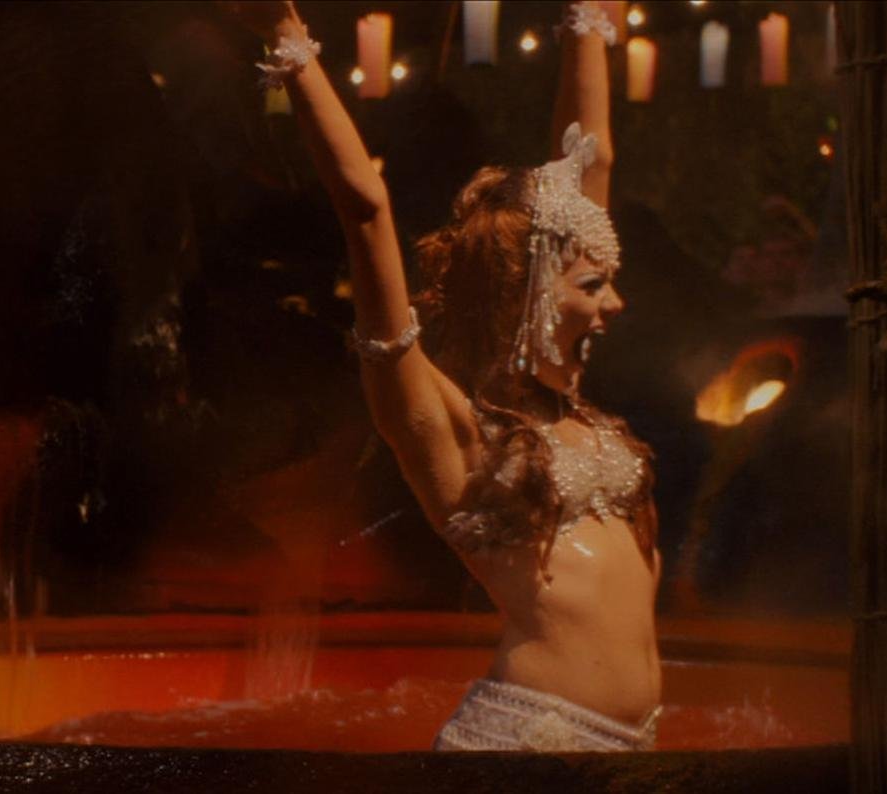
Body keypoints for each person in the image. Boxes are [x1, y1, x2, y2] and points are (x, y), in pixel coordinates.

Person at [230, 1, 661, 751]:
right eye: (593, 286)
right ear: (531, 292)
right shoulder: (455, 429)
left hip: (624, 748)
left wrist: (589, 24)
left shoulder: (571, 412)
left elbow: (590, 159)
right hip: (527, 747)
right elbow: (366, 209)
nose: (616, 302)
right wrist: (289, 44)